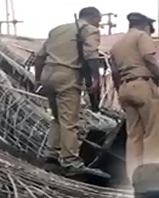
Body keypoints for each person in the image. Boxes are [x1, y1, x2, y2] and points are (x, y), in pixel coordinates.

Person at [33, 7, 109, 178]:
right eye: (99, 20)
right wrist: (96, 80)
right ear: (93, 17)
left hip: (48, 74)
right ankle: (71, 161)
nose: (100, 23)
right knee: (69, 121)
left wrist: (38, 80)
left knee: (57, 118)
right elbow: (91, 55)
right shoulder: (89, 29)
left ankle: (51, 156)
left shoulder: (57, 30)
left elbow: (39, 58)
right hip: (67, 75)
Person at [108, 14, 159, 182]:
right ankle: (151, 175)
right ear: (145, 25)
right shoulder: (141, 36)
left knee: (133, 135)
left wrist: (121, 90)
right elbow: (148, 59)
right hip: (143, 85)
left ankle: (134, 176)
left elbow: (114, 72)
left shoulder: (117, 44)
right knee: (152, 133)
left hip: (125, 87)